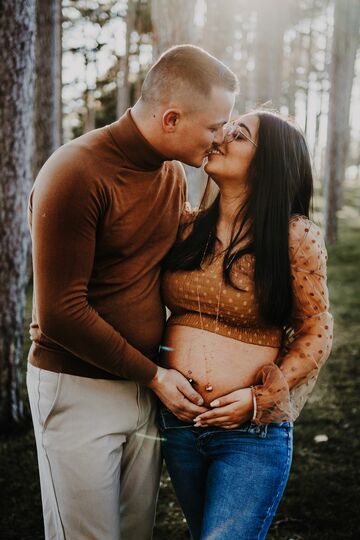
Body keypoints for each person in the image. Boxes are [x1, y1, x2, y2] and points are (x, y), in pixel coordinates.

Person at [26, 44, 238, 540]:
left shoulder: (169, 173)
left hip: (145, 388)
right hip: (78, 388)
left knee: (136, 531)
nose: (220, 137)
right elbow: (59, 312)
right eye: (213, 126)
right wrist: (155, 375)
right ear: (170, 117)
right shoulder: (75, 173)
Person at [158, 109, 333, 540]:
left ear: (269, 162)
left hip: (251, 433)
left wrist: (257, 400)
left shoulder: (294, 237)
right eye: (223, 128)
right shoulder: (185, 226)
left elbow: (317, 331)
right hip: (181, 425)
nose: (219, 137)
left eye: (237, 135)